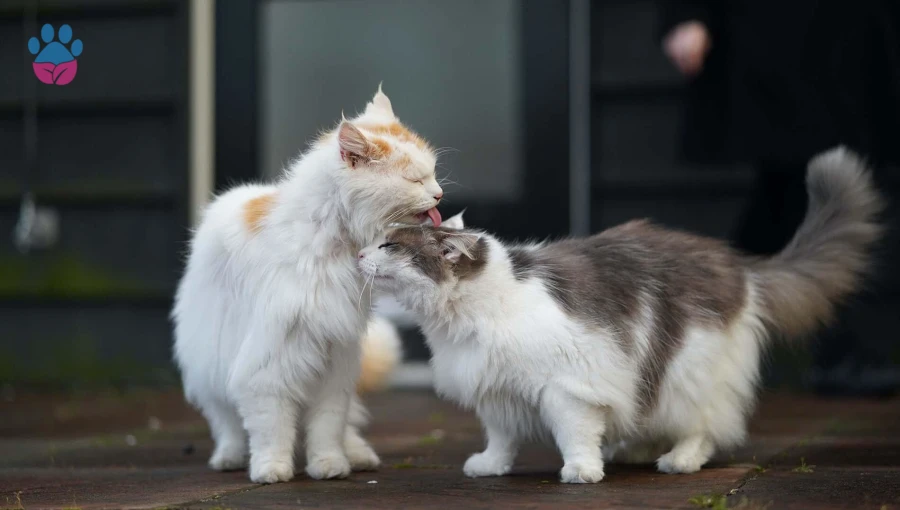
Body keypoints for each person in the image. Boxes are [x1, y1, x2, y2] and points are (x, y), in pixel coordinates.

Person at [659, 0, 900, 395]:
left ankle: (700, 340)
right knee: (796, 188)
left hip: (854, 38)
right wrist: (687, 13)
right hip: (780, 39)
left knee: (785, 199)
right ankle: (837, 352)